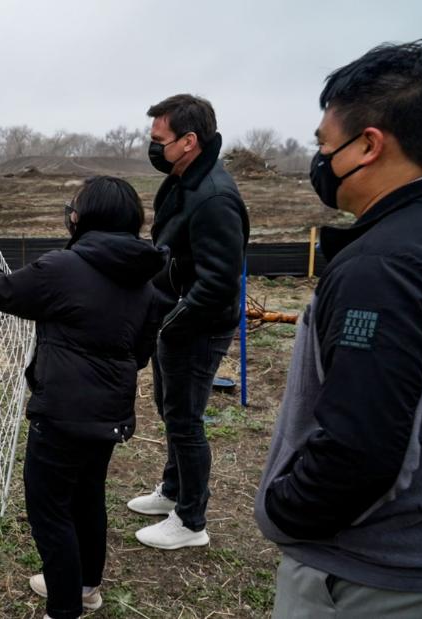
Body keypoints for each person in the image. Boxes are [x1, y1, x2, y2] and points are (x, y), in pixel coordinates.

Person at [254, 39, 422, 618]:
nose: (320, 159)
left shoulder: (385, 269)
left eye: (325, 143)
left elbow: (361, 455)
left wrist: (285, 512)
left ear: (368, 144)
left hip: (369, 573)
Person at [0, 176, 165, 619]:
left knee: (50, 511)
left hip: (61, 415)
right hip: (108, 414)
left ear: (84, 217)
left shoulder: (63, 267)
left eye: (74, 207)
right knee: (88, 495)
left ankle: (65, 607)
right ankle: (86, 587)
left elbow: (3, 292)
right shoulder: (146, 283)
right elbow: (139, 355)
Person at [128, 94, 249, 550]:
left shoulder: (214, 198)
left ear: (189, 141)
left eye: (160, 139)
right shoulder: (183, 182)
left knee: (185, 419)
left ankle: (191, 520)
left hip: (197, 325)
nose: (153, 146)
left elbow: (219, 283)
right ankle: (173, 491)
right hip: (175, 317)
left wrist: (173, 322)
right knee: (170, 409)